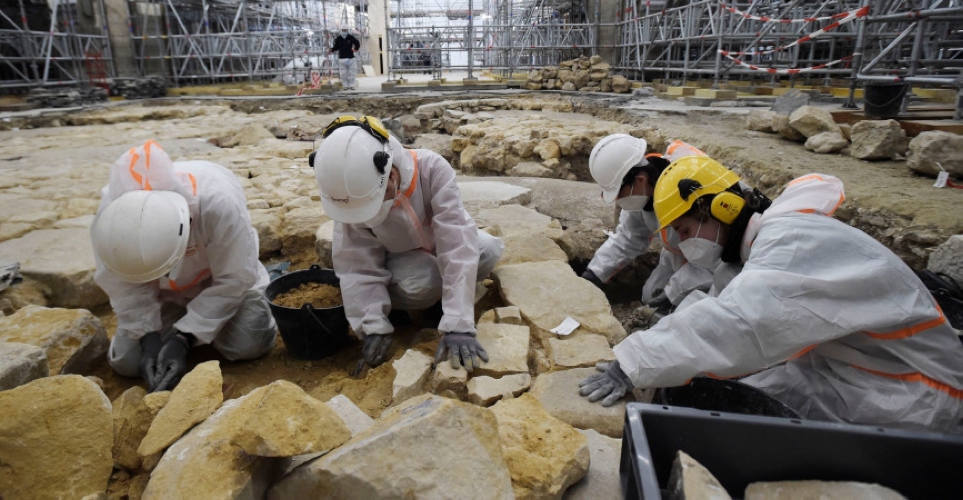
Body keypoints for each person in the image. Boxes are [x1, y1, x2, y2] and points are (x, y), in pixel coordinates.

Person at [579, 156, 963, 434]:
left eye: (683, 228)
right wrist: (655, 340)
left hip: (910, 389)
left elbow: (739, 323)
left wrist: (635, 361)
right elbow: (717, 301)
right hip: (849, 365)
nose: (679, 242)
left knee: (741, 412)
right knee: (728, 390)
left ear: (721, 208)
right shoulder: (752, 249)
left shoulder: (791, 244)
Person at [309, 116, 504, 371]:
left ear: (390, 173)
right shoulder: (350, 195)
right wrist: (372, 325)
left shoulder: (431, 169)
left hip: (435, 244)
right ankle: (400, 307)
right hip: (399, 260)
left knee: (486, 251)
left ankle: (445, 303)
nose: (375, 210)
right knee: (427, 281)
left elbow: (456, 241)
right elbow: (356, 264)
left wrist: (459, 324)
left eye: (380, 199)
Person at [92, 141, 277, 392]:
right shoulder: (110, 222)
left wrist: (183, 339)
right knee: (128, 363)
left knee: (248, 344)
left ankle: (196, 324)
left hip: (219, 281)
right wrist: (147, 337)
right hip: (161, 292)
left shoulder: (217, 204)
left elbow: (234, 278)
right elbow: (122, 286)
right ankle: (180, 325)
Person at [581, 135, 714, 313]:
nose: (619, 200)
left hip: (714, 262)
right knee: (651, 297)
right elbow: (628, 238)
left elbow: (712, 259)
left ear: (640, 180)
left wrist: (673, 293)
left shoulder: (693, 192)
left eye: (619, 194)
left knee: (682, 310)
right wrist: (594, 274)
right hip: (677, 254)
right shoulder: (640, 194)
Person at [328, 25, 360, 91]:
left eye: (345, 30)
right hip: (342, 58)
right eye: (343, 30)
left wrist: (355, 49)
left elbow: (357, 43)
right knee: (343, 73)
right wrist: (331, 50)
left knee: (352, 72)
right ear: (341, 30)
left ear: (347, 31)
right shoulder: (338, 39)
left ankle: (351, 85)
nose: (344, 32)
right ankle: (345, 86)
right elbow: (336, 47)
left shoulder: (350, 37)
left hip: (351, 58)